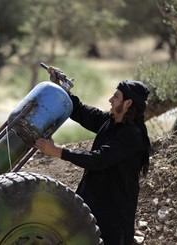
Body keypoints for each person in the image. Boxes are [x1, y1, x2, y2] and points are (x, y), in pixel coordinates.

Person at [34, 67, 151, 245]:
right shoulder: (109, 122)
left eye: (116, 97)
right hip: (92, 207)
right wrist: (60, 88)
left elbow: (98, 159)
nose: (111, 100)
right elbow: (80, 111)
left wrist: (58, 152)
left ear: (127, 103)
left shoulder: (132, 135)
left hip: (113, 218)